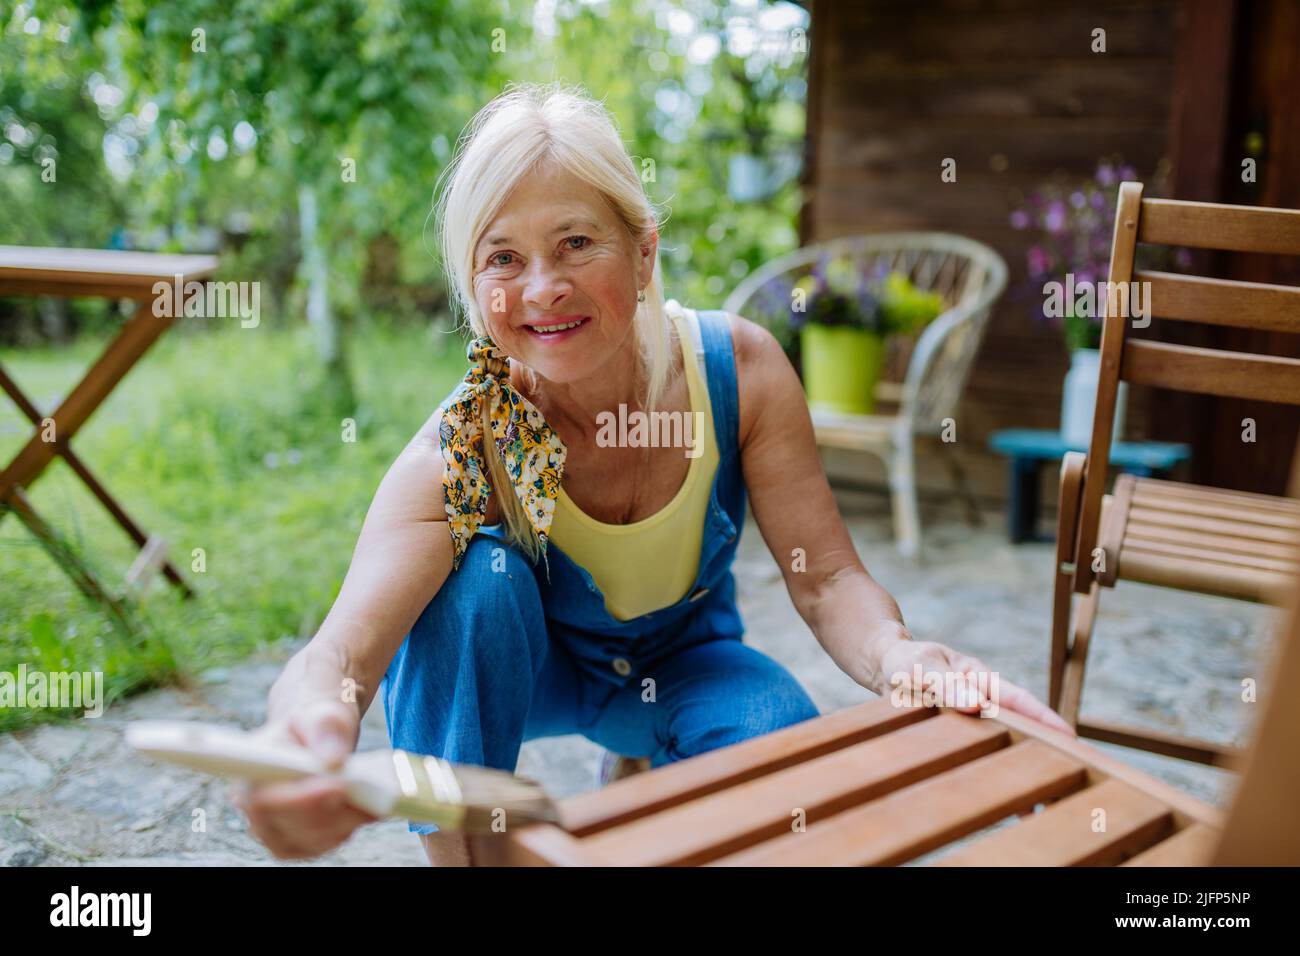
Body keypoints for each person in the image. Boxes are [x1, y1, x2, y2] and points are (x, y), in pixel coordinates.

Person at [233, 82, 1072, 867]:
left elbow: (828, 581)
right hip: (535, 677)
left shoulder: (738, 373)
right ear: (473, 283)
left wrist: (902, 658)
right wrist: (308, 728)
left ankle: (637, 766)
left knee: (783, 758)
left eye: (575, 243)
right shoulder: (466, 440)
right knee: (474, 586)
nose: (544, 288)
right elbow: (341, 650)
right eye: (503, 259)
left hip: (681, 666)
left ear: (642, 254)